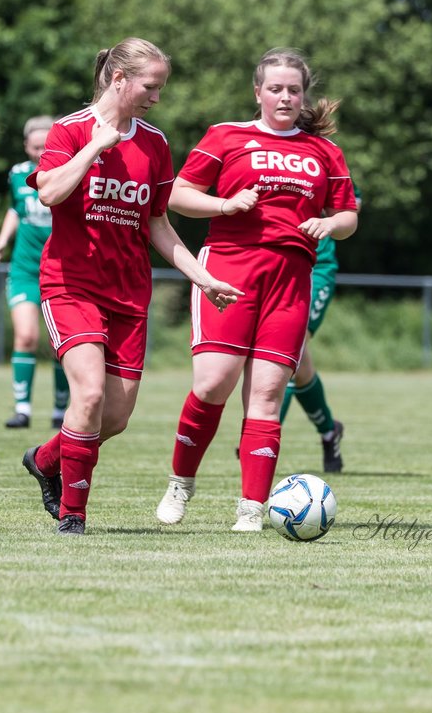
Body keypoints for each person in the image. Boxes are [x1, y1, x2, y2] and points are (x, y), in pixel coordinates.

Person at [17, 38, 241, 536]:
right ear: (119, 79)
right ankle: (73, 517)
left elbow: (158, 223)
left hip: (128, 295)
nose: (156, 96)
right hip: (70, 285)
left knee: (114, 418)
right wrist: (97, 146)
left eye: (160, 86)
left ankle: (47, 460)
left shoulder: (155, 144)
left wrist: (201, 277)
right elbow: (50, 190)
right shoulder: (70, 130)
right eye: (150, 85)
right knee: (90, 394)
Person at [154, 48, 359, 532]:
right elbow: (178, 197)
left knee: (266, 396)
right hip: (230, 270)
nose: (285, 97)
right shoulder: (227, 136)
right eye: (276, 88)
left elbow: (349, 215)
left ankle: (251, 508)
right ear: (258, 92)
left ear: (302, 94)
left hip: (291, 280)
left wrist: (330, 226)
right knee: (212, 384)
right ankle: (181, 484)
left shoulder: (324, 151)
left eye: (293, 89)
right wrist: (226, 205)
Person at [0, 116, 70, 430]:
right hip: (25, 269)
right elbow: (14, 209)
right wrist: (1, 241)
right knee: (26, 336)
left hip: (62, 268)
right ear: (26, 147)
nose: (40, 153)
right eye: (35, 147)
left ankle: (61, 411)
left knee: (57, 343)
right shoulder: (18, 174)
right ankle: (22, 410)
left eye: (46, 146)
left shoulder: (70, 173)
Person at [279, 222, 352, 474]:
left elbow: (349, 212)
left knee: (290, 349)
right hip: (277, 263)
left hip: (315, 268)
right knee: (300, 367)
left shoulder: (336, 179)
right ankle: (330, 431)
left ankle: (265, 432)